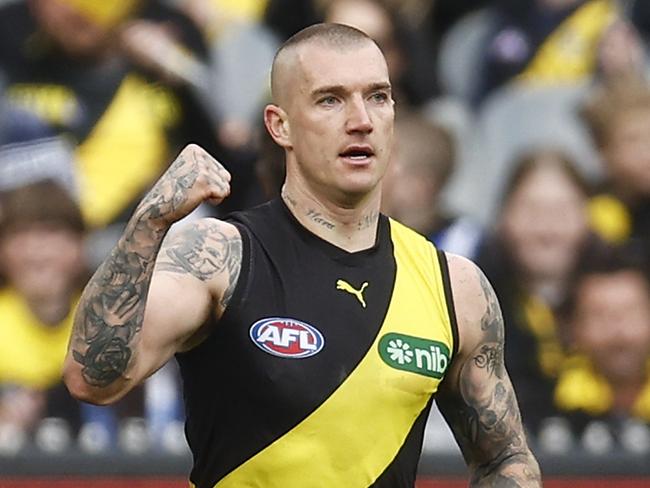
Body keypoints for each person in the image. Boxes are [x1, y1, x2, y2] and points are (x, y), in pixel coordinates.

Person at [64, 23, 541, 487]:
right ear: (280, 125)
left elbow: (505, 458)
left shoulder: (453, 286)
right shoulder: (220, 257)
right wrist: (150, 223)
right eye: (330, 99)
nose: (361, 120)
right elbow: (93, 378)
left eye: (377, 96)